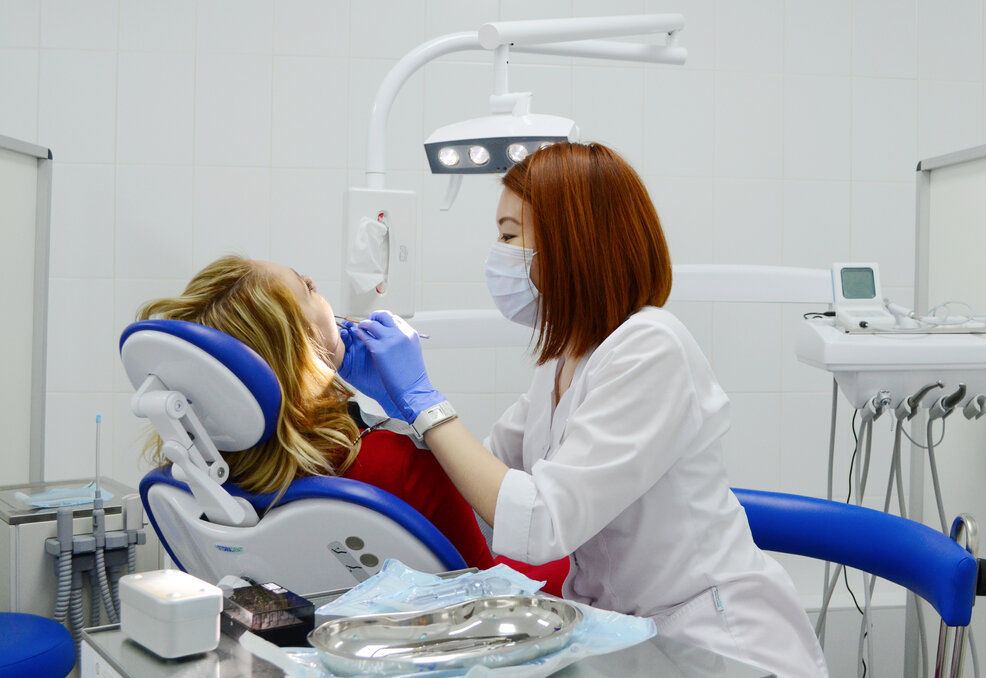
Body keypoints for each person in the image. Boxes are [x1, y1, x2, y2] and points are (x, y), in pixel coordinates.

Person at [345, 142, 830, 676]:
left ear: (572, 244)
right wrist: (400, 406)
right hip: (626, 634)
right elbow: (482, 490)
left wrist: (424, 399)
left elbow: (539, 524)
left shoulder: (651, 347)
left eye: (509, 236)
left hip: (718, 643)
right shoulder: (564, 360)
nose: (497, 255)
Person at [136, 255, 500, 570]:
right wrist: (412, 408)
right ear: (301, 342)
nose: (313, 281)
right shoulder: (399, 465)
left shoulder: (199, 484)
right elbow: (489, 583)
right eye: (307, 287)